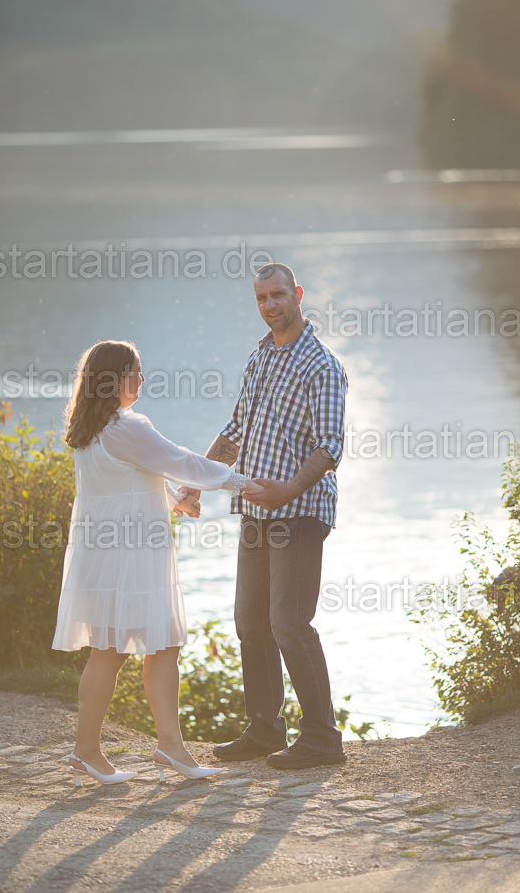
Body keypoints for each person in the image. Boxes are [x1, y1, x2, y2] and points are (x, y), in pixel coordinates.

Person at [52, 339, 261, 786]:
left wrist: (173, 499)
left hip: (105, 553)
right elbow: (176, 460)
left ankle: (132, 748)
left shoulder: (91, 427)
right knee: (144, 646)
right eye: (136, 371)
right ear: (114, 380)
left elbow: (133, 475)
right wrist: (241, 483)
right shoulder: (128, 426)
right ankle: (123, 749)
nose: (142, 379)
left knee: (121, 649)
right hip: (131, 554)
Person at [176, 263, 348, 769]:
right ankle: (265, 729)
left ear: (298, 294)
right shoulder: (260, 357)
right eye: (261, 298)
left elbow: (330, 445)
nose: (270, 305)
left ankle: (322, 738)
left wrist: (289, 489)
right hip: (255, 506)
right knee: (250, 622)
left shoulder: (322, 364)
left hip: (301, 510)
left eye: (278, 295)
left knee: (289, 623)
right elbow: (236, 430)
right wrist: (197, 480)